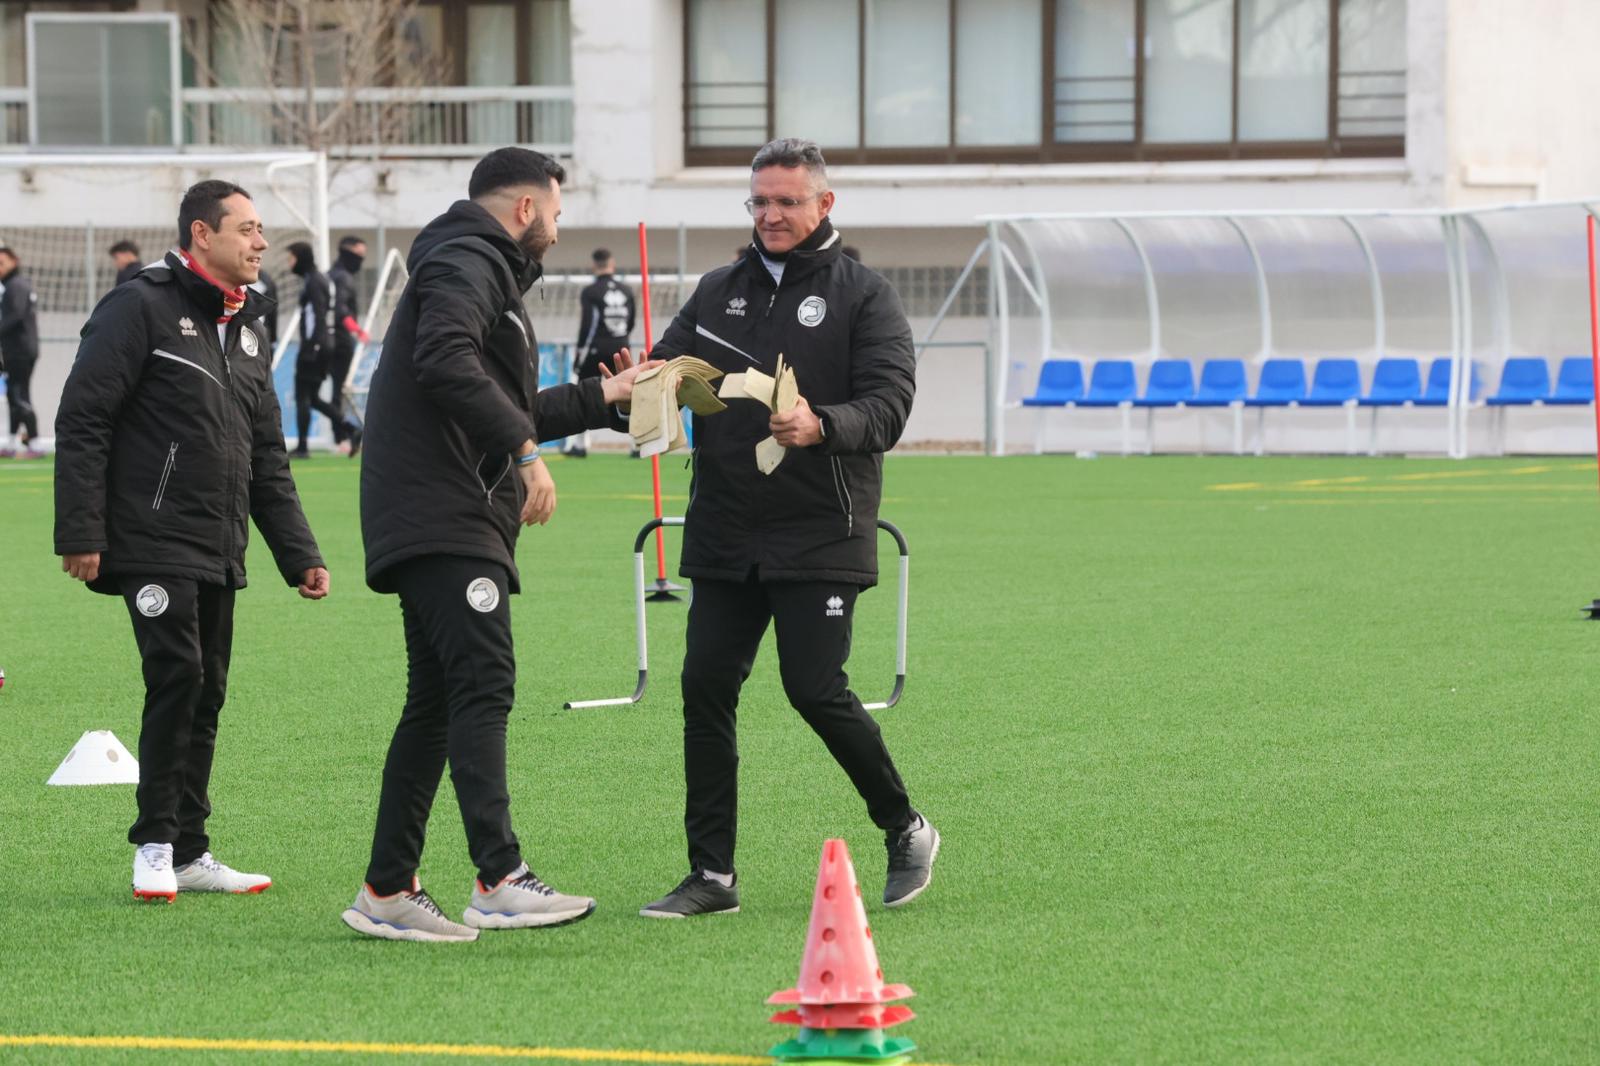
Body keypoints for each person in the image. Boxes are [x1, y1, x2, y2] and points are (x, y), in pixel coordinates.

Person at [344, 147, 659, 943]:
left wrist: (604, 397)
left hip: (437, 510)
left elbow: (497, 396)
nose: (557, 228)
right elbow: (444, 361)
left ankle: (388, 889)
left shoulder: (475, 268)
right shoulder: (467, 258)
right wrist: (524, 452)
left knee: (439, 699)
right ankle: (499, 878)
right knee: (482, 681)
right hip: (444, 512)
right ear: (525, 209)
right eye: (554, 212)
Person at [639, 138, 937, 919]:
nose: (770, 215)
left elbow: (890, 406)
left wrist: (821, 423)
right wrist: (645, 382)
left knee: (813, 688)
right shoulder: (716, 290)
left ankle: (905, 827)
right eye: (759, 202)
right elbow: (669, 367)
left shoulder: (865, 295)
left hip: (821, 529)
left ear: (823, 205)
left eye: (786, 202)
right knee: (703, 688)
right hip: (726, 530)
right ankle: (712, 875)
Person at [53, 179, 330, 903]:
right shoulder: (138, 306)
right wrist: (82, 530)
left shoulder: (247, 329)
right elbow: (84, 419)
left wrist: (298, 552)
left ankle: (190, 850)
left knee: (206, 690)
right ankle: (154, 843)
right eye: (246, 229)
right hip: (150, 539)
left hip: (218, 543)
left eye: (262, 229)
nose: (260, 243)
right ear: (201, 236)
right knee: (177, 678)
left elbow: (265, 453)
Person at [563, 247, 635, 457]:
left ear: (594, 265)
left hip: (596, 349)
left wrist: (579, 358)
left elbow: (588, 326)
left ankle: (580, 445)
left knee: (584, 393)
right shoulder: (627, 290)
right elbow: (631, 322)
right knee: (630, 393)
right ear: (612, 264)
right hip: (621, 347)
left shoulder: (591, 292)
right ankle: (637, 445)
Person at [286, 241, 346, 457]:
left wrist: (313, 347)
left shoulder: (314, 282)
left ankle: (302, 447)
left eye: (291, 257)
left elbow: (318, 316)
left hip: (316, 346)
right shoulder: (317, 279)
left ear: (301, 257)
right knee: (312, 398)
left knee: (303, 396)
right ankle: (351, 428)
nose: (289, 263)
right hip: (323, 344)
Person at [326, 235, 369, 456]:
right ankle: (344, 434)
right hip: (341, 342)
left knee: (327, 393)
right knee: (339, 392)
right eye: (360, 255)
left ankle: (343, 434)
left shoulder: (330, 275)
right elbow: (341, 311)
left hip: (326, 340)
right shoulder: (343, 278)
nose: (361, 260)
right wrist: (358, 331)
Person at [0, 241, 41, 457]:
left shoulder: (15, 286)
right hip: (21, 349)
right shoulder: (19, 285)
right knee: (15, 395)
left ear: (14, 262)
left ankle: (34, 442)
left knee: (18, 395)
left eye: (1, 263)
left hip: (19, 350)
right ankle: (10, 443)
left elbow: (14, 317)